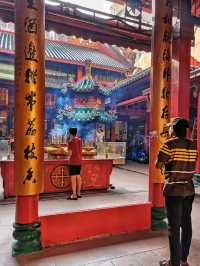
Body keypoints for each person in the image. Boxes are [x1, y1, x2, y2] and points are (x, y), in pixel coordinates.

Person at [156, 118, 198, 266]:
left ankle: (174, 263)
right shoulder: (193, 145)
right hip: (189, 189)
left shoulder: (169, 144)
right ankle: (183, 260)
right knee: (186, 224)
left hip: (174, 190)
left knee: (173, 227)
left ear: (173, 129)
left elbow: (159, 164)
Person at [67, 127, 82, 200]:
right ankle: (79, 193)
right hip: (79, 160)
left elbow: (70, 153)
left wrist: (67, 154)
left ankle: (74, 195)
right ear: (76, 133)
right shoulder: (79, 140)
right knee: (78, 176)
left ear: (70, 133)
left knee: (73, 178)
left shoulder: (71, 141)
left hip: (73, 161)